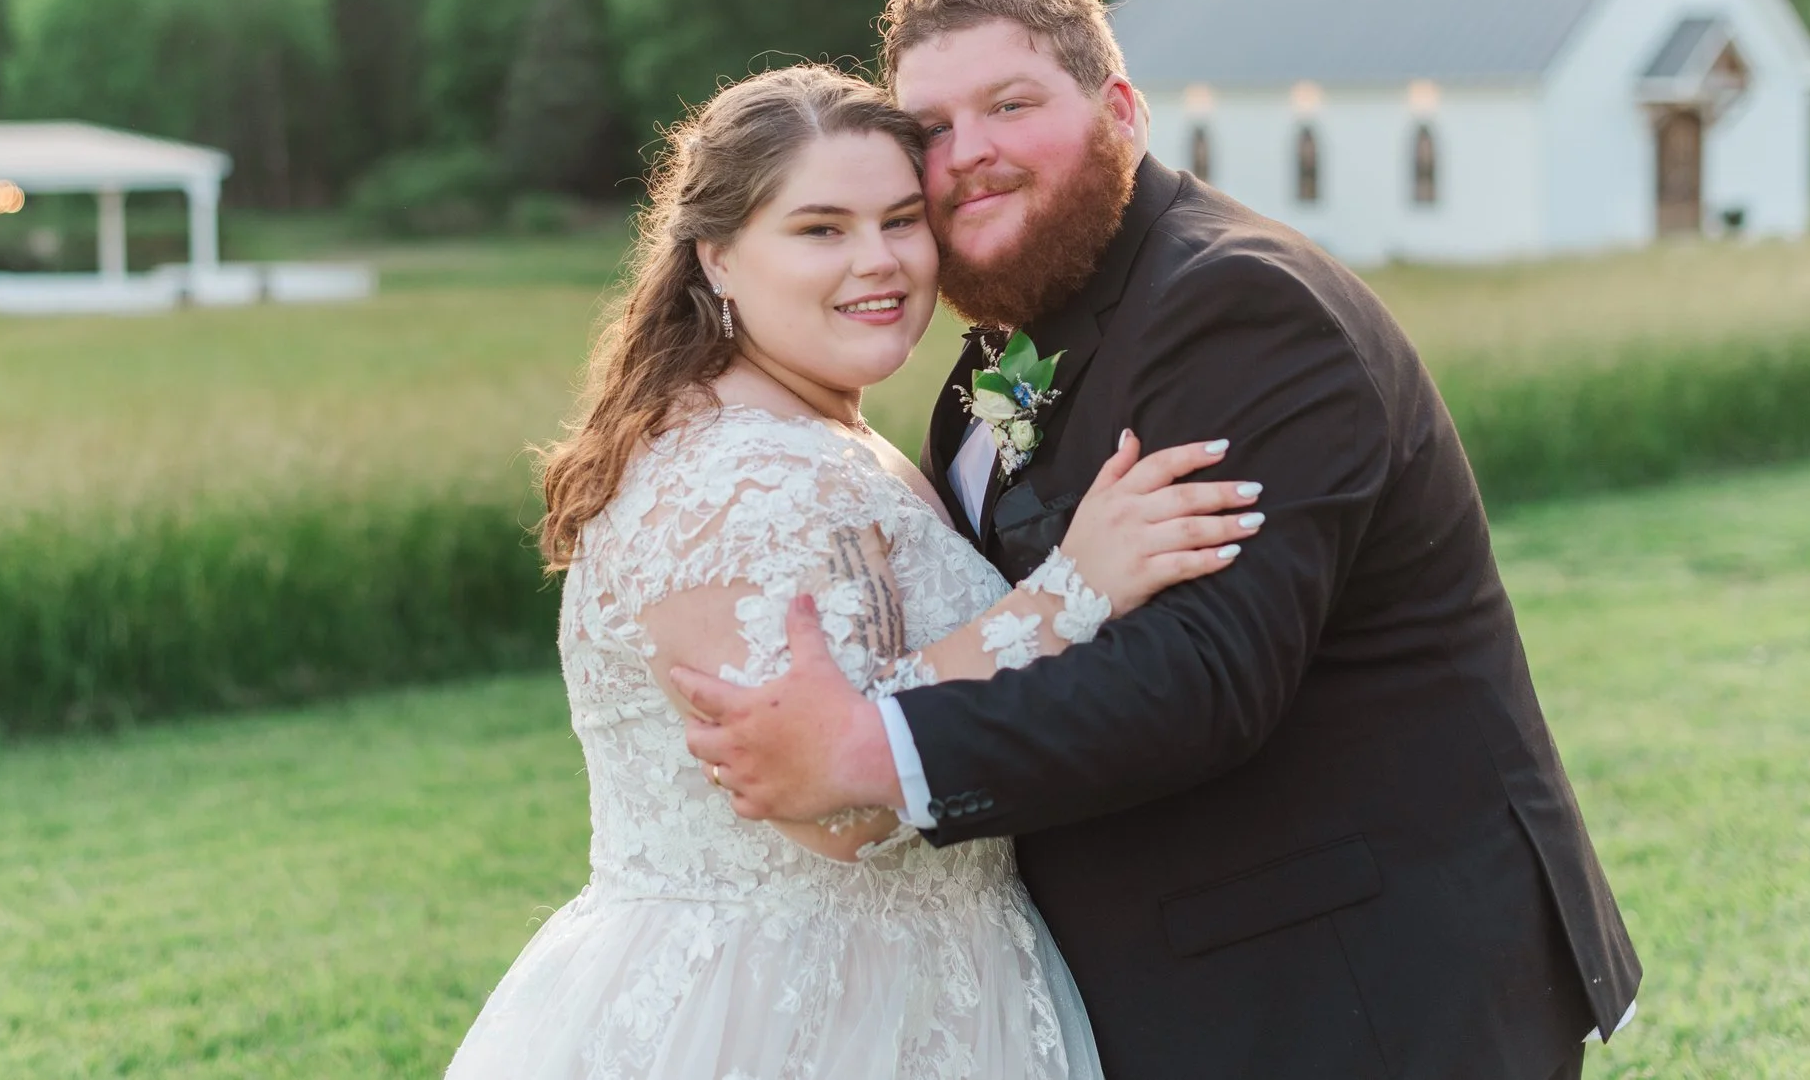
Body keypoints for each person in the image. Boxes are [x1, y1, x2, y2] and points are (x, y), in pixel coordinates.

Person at [676, 0, 1643, 1080]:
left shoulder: (1236, 305)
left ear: (1119, 111)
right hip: (1201, 968)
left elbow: (1201, 677)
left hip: (1353, 975)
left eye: (1011, 105)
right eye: (930, 127)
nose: (966, 151)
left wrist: (868, 748)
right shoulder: (989, 367)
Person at [443, 64, 1261, 1078]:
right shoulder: (732, 485)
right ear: (718, 259)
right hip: (788, 1014)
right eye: (820, 228)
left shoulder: (823, 435)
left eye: (900, 220)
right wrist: (1070, 592)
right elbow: (832, 810)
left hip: (933, 984)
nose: (876, 262)